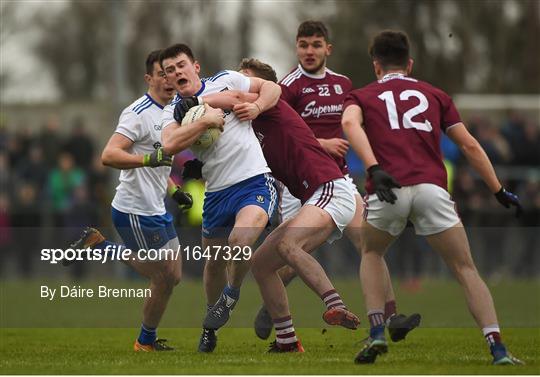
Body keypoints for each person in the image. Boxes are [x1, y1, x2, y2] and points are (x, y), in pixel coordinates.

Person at [341, 30, 523, 365]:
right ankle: (497, 347)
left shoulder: (361, 95)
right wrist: (497, 189)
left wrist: (374, 167)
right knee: (466, 268)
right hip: (431, 190)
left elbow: (349, 124)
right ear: (409, 64)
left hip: (388, 188)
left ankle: (378, 331)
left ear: (376, 66)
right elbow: (469, 145)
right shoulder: (436, 95)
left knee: (371, 252)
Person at [253, 20, 420, 343]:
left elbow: (356, 123)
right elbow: (283, 130)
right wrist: (322, 143)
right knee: (290, 252)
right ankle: (273, 306)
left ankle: (391, 316)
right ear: (296, 48)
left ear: (328, 48)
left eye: (316, 45)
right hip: (298, 183)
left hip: (337, 178)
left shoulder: (343, 83)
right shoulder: (288, 87)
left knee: (368, 244)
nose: (309, 51)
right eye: (303, 45)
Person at [186, 58, 364, 352]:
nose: (237, 84)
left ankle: (335, 304)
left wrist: (194, 100)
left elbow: (235, 96)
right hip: (317, 195)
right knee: (261, 263)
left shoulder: (268, 104)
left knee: (287, 245)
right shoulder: (250, 129)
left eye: (245, 79)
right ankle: (287, 341)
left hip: (331, 188)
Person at [67, 50, 193, 351]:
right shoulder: (137, 113)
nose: (168, 78)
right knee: (164, 275)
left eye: (171, 72)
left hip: (156, 207)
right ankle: (102, 247)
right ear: (149, 78)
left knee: (172, 276)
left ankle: (145, 340)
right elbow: (108, 155)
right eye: (160, 74)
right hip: (134, 209)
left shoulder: (173, 112)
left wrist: (175, 190)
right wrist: (150, 159)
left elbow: (160, 164)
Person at [159, 44, 281, 353]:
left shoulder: (226, 79)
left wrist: (255, 107)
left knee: (240, 243)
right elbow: (170, 143)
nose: (176, 72)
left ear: (195, 67)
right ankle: (209, 327)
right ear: (167, 79)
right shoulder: (169, 111)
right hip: (215, 193)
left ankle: (232, 294)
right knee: (213, 264)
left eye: (181, 65)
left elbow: (271, 88)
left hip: (253, 180)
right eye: (170, 70)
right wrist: (203, 120)